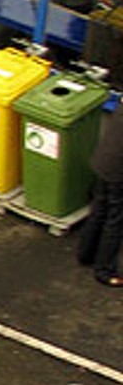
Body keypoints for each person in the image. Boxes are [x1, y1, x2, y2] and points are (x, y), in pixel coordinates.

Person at [77, 102, 123, 289]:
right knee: (116, 219)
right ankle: (105, 270)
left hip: (105, 159)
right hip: (119, 170)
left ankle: (86, 253)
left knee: (99, 208)